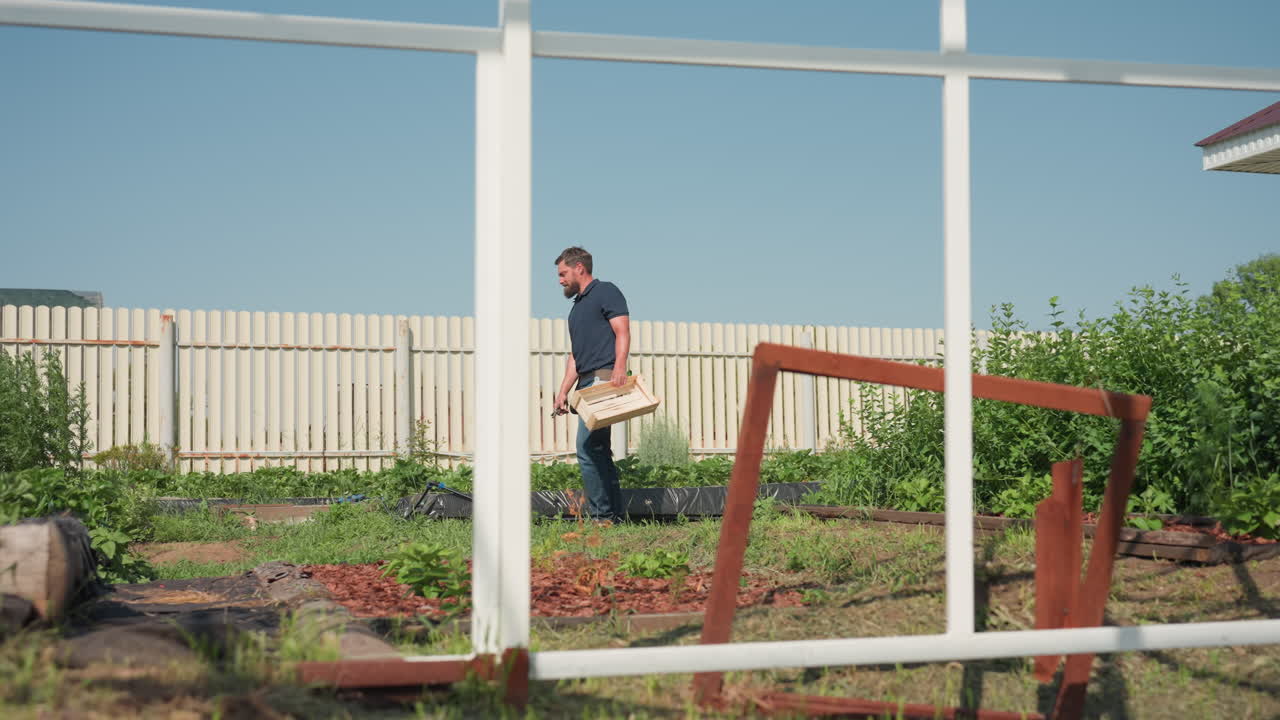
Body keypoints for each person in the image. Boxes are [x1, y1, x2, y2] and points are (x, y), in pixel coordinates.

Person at [553, 246, 629, 523]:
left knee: (586, 448)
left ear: (579, 268)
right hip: (585, 381)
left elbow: (622, 330)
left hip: (603, 376)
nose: (560, 280)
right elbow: (576, 355)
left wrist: (618, 368)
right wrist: (563, 391)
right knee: (598, 450)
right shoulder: (577, 309)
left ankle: (601, 516)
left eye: (563, 273)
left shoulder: (605, 291)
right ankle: (613, 515)